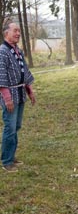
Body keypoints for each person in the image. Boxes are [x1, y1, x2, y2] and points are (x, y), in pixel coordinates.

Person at [1, 21, 36, 173]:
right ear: (6, 33)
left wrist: (30, 90)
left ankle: (11, 155)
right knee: (10, 128)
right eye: (15, 31)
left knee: (16, 127)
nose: (18, 34)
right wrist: (7, 99)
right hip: (10, 95)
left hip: (20, 94)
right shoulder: (2, 51)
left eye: (19, 31)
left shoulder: (18, 51)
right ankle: (7, 161)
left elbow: (24, 72)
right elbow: (1, 76)